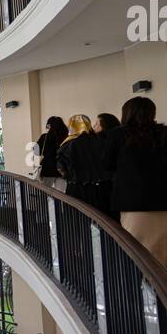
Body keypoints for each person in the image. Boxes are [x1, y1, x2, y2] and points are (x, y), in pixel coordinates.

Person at [101, 97, 167, 266]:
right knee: (162, 251)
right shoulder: (163, 133)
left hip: (131, 200)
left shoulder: (117, 134)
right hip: (163, 200)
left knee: (137, 253)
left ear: (126, 113)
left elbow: (106, 164)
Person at [56, 114, 110, 209]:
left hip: (75, 189)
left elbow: (61, 169)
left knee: (76, 219)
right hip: (100, 190)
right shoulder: (102, 142)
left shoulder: (66, 145)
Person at [36, 116, 68, 182]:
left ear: (49, 125)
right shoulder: (66, 138)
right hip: (62, 170)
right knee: (60, 192)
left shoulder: (44, 137)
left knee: (45, 191)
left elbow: (36, 152)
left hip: (47, 169)